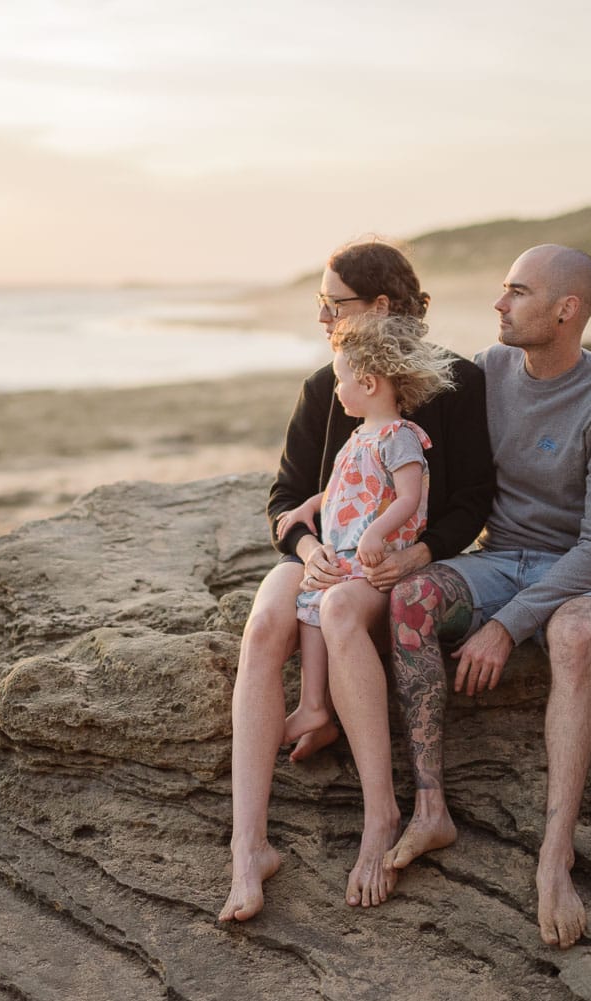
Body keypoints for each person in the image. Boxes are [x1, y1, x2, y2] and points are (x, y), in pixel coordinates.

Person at [218, 239, 494, 923]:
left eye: (332, 303)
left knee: (340, 607)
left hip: (392, 564)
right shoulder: (326, 387)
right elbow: (285, 497)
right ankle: (248, 848)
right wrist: (306, 547)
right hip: (330, 554)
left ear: (380, 306)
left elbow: (472, 501)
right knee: (266, 617)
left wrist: (420, 553)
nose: (321, 316)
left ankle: (381, 816)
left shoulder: (456, 383)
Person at [383, 244, 591, 949]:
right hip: (500, 556)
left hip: (583, 572)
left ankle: (555, 853)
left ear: (566, 310)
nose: (499, 304)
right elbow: (383, 409)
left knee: (570, 636)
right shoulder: (489, 370)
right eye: (502, 290)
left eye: (516, 292)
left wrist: (506, 624)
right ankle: (431, 806)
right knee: (408, 602)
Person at [273, 313, 457, 745]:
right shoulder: (358, 436)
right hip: (345, 549)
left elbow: (409, 497)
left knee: (325, 603)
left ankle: (318, 707)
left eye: (340, 380)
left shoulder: (400, 436)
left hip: (375, 554)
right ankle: (313, 705)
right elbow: (341, 489)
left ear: (369, 384)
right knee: (310, 602)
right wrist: (307, 506)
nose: (335, 389)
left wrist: (376, 533)